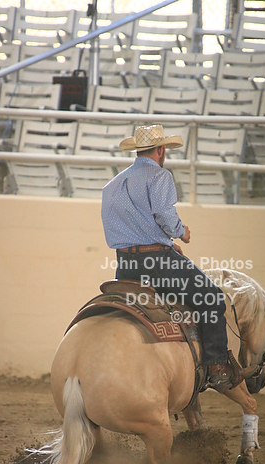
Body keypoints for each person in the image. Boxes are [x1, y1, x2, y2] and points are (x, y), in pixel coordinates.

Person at [101, 124, 241, 392]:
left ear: (138, 150)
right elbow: (165, 216)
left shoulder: (113, 184)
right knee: (212, 298)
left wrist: (161, 241)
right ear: (161, 150)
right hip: (159, 264)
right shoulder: (159, 176)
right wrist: (181, 233)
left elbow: (124, 223)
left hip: (125, 266)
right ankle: (216, 367)